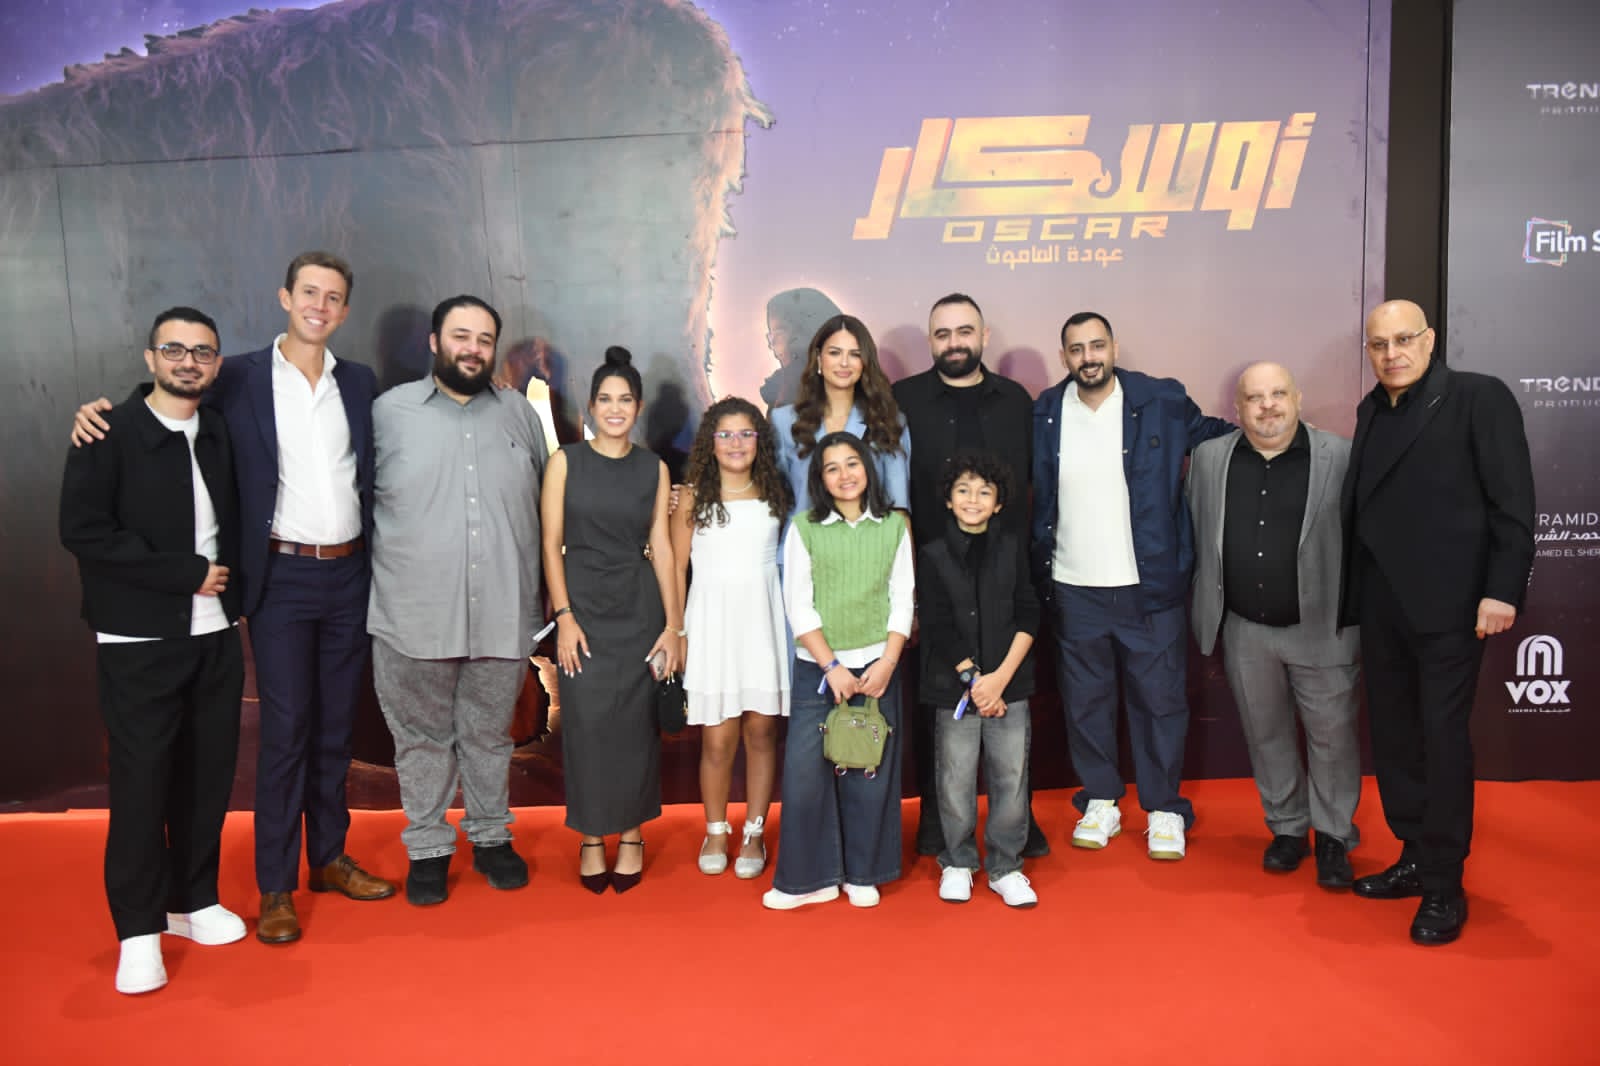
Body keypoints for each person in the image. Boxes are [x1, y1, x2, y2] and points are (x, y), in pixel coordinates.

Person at [72, 252, 394, 944]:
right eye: (309, 292)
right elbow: (170, 402)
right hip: (279, 577)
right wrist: (103, 416)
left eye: (332, 297)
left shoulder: (359, 382)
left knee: (336, 729)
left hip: (349, 576)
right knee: (287, 731)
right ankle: (276, 885)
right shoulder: (239, 375)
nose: (319, 306)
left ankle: (329, 857)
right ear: (285, 297)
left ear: (344, 310)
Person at [60, 307, 247, 994]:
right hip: (138, 639)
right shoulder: (106, 431)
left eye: (202, 351)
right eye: (174, 349)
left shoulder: (220, 431)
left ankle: (192, 902)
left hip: (216, 633)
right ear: (150, 358)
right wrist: (184, 573)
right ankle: (138, 931)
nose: (188, 361)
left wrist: (223, 593)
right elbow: (82, 531)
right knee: (141, 787)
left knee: (206, 776)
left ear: (216, 364)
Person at [1340, 299, 1534, 945]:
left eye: (1403, 340)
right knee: (1396, 739)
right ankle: (1415, 856)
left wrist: (1501, 590)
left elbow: (1513, 503)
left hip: (1452, 609)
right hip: (1382, 605)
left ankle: (1445, 883)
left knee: (1442, 740)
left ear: (1429, 340)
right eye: (1378, 344)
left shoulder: (1479, 398)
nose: (1391, 353)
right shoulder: (1372, 409)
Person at [1031, 311, 1233, 861]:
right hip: (1073, 587)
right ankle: (1100, 800)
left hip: (1150, 588)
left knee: (1160, 703)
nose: (1088, 357)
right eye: (1077, 349)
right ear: (1063, 356)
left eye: (1097, 345)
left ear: (1115, 348)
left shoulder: (1161, 400)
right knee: (1085, 704)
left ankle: (1164, 808)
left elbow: (1217, 440)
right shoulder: (1045, 412)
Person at [368, 295, 548, 906]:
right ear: (434, 341)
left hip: (502, 609)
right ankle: (427, 848)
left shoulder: (519, 414)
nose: (472, 348)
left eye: (484, 339)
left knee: (489, 735)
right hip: (412, 613)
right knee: (420, 740)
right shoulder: (388, 413)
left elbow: (545, 502)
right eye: (460, 335)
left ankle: (492, 838)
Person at [1187, 363, 1361, 888]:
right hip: (1244, 629)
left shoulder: (1342, 455)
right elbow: (1197, 531)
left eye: (1278, 393)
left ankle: (1333, 836)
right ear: (1237, 408)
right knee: (1266, 735)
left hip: (1322, 626)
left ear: (1297, 398)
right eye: (1255, 397)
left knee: (1332, 738)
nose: (1268, 406)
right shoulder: (1209, 459)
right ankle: (1287, 828)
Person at [892, 292, 1049, 859]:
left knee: (1011, 704)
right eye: (942, 334)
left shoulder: (1015, 401)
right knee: (939, 703)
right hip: (933, 574)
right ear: (930, 341)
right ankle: (938, 823)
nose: (954, 343)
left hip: (1007, 572)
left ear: (983, 337)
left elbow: (1035, 482)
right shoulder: (903, 400)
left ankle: (1017, 822)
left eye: (964, 332)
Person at [541, 346, 684, 894]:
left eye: (626, 400)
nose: (616, 409)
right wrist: (564, 616)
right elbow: (550, 545)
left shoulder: (654, 468)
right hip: (582, 611)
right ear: (591, 406)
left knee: (634, 731)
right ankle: (590, 837)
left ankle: (631, 836)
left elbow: (663, 549)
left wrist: (673, 626)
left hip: (639, 609)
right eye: (606, 399)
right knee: (586, 728)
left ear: (639, 407)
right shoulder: (566, 462)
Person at [764, 431, 913, 910]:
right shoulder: (805, 528)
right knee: (805, 776)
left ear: (867, 468)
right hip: (819, 668)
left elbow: (903, 599)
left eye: (852, 463)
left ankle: (864, 874)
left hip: (877, 669)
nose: (845, 475)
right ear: (820, 479)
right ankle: (811, 881)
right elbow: (798, 605)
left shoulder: (893, 526)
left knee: (869, 771)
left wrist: (887, 662)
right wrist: (831, 666)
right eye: (832, 468)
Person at [671, 397, 792, 880]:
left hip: (763, 624)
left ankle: (755, 831)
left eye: (746, 433)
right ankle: (717, 830)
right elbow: (676, 569)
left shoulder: (776, 492)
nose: (736, 443)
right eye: (726, 434)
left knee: (761, 733)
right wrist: (677, 630)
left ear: (759, 441)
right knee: (718, 740)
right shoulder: (691, 498)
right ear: (711, 442)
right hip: (711, 626)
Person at [917, 450, 1040, 908]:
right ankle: (958, 861)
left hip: (1010, 687)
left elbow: (1029, 612)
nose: (973, 499)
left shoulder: (1013, 547)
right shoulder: (932, 554)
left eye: (984, 492)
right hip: (954, 689)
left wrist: (999, 680)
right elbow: (937, 623)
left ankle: (1006, 865)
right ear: (948, 499)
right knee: (955, 778)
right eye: (963, 490)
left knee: (1011, 777)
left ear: (999, 502)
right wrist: (974, 681)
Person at [769, 314, 911, 517]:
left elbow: (898, 505)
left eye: (855, 354)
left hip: (870, 537)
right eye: (835, 353)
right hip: (801, 535)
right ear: (819, 358)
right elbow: (777, 497)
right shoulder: (784, 421)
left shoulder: (887, 421)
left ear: (865, 362)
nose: (844, 363)